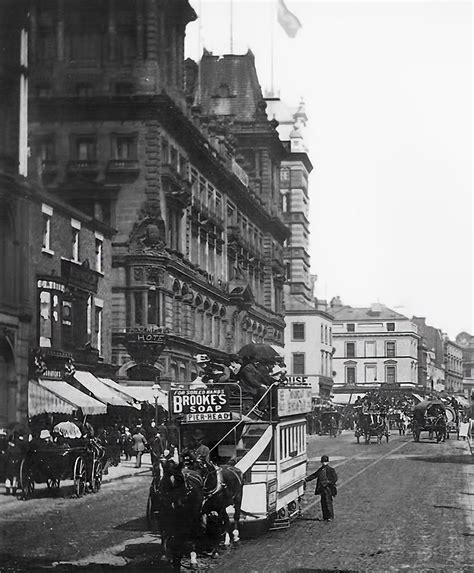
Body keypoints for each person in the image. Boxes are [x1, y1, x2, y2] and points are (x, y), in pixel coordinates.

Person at [305, 455, 338, 522]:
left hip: (328, 489)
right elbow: (314, 475)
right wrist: (306, 479)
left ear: (328, 462)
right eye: (323, 462)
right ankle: (325, 516)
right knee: (323, 503)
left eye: (325, 462)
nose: (324, 463)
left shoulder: (331, 470)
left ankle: (330, 517)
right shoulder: (320, 470)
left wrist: (328, 482)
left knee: (328, 502)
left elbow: (334, 479)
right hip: (322, 489)